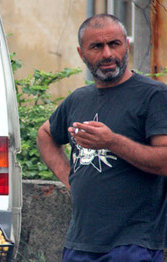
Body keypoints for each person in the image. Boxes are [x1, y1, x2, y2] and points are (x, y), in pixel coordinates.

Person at [36, 14, 166, 262]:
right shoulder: (79, 99)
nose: (107, 53)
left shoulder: (155, 95)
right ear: (81, 53)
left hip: (133, 246)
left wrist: (111, 141)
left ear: (126, 45)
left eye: (114, 44)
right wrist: (70, 178)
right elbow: (45, 134)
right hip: (80, 242)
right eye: (96, 46)